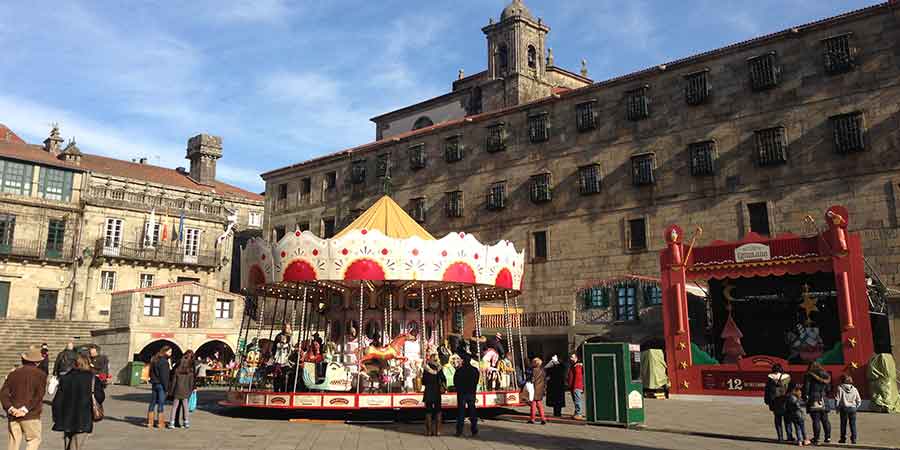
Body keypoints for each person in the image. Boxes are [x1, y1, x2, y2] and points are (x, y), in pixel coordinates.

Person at [52, 354, 105, 450]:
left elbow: (58, 400)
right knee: (75, 446)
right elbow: (100, 397)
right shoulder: (92, 379)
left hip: (66, 417)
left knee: (68, 446)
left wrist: (56, 416)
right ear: (88, 363)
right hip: (83, 418)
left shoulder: (65, 378)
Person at [1, 347, 47, 450]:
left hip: (13, 414)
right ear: (37, 362)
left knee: (13, 442)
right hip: (31, 414)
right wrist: (24, 409)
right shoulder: (41, 375)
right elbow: (39, 395)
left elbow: (3, 393)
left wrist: (11, 408)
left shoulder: (13, 374)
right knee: (34, 440)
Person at [802, 362, 832, 444]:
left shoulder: (809, 375)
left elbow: (806, 388)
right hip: (824, 399)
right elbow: (829, 389)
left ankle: (817, 438)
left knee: (816, 420)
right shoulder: (827, 375)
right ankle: (828, 437)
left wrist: (805, 397)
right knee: (825, 419)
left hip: (813, 399)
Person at [764, 363, 793, 442]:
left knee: (778, 419)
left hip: (775, 401)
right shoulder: (787, 377)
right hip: (786, 400)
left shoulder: (770, 378)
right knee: (787, 419)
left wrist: (767, 401)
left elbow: (767, 391)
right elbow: (791, 388)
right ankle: (789, 436)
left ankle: (780, 437)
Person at [167, 352, 196, 429]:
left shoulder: (177, 371)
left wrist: (171, 391)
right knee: (185, 407)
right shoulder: (190, 372)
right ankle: (186, 422)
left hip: (177, 390)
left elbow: (173, 382)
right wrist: (190, 390)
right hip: (186, 391)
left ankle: (172, 423)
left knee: (174, 407)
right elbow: (191, 383)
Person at [453, 353, 480, 437]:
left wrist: (458, 388)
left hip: (462, 393)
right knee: (472, 411)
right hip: (471, 392)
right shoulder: (475, 370)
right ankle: (474, 429)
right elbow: (476, 380)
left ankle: (459, 430)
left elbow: (455, 382)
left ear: (463, 361)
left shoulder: (459, 370)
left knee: (461, 412)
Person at [421, 352, 446, 436]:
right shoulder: (439, 368)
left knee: (428, 411)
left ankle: (429, 431)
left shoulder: (426, 369)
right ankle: (438, 431)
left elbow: (423, 381)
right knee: (438, 411)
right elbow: (443, 379)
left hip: (428, 391)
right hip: (437, 391)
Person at [148, 346, 172, 429]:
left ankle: (150, 422)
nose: (170, 354)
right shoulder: (164, 362)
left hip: (154, 383)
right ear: (165, 352)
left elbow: (150, 372)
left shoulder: (154, 359)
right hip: (161, 385)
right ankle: (160, 423)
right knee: (161, 403)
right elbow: (164, 376)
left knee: (152, 402)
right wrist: (167, 388)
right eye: (169, 352)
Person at [835, 374, 861, 444]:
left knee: (843, 424)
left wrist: (837, 408)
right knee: (853, 424)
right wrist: (856, 407)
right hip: (853, 408)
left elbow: (837, 399)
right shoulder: (854, 389)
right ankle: (854, 439)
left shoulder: (840, 388)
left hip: (844, 408)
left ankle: (843, 439)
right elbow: (859, 400)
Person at [528, 357, 547, 425]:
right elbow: (544, 380)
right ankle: (543, 418)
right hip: (540, 389)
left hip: (534, 389)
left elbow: (532, 380)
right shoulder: (543, 371)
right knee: (539, 405)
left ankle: (532, 418)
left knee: (533, 405)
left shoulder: (533, 371)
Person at [567, 353, 584, 420]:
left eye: (572, 357)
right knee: (575, 400)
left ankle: (578, 413)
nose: (571, 358)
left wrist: (574, 386)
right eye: (570, 357)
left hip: (576, 386)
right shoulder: (573, 365)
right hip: (573, 386)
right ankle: (576, 412)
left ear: (576, 357)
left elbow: (578, 377)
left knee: (577, 400)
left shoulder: (577, 365)